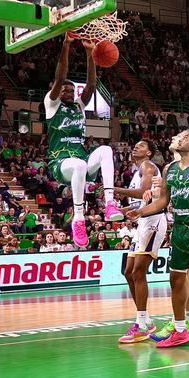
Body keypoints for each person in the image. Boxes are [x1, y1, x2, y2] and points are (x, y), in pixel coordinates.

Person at [127, 130, 189, 352]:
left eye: (185, 138)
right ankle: (180, 330)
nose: (180, 139)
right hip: (179, 230)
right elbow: (162, 201)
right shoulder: (169, 170)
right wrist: (141, 212)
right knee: (176, 279)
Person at [45, 33, 122, 247]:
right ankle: (78, 219)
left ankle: (109, 202)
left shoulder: (78, 106)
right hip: (60, 164)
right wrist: (66, 45)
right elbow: (60, 76)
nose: (69, 92)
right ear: (56, 90)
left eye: (72, 90)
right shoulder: (51, 105)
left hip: (81, 160)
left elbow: (91, 85)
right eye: (65, 89)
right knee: (78, 165)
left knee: (106, 150)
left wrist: (90, 52)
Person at [114, 140, 169, 343]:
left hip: (154, 220)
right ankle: (146, 320)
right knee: (128, 271)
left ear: (149, 152)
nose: (136, 147)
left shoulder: (148, 166)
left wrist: (114, 190)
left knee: (138, 271)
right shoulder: (136, 171)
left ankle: (141, 325)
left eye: (141, 145)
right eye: (135, 145)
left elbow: (142, 193)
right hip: (142, 223)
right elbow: (140, 202)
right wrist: (118, 212)